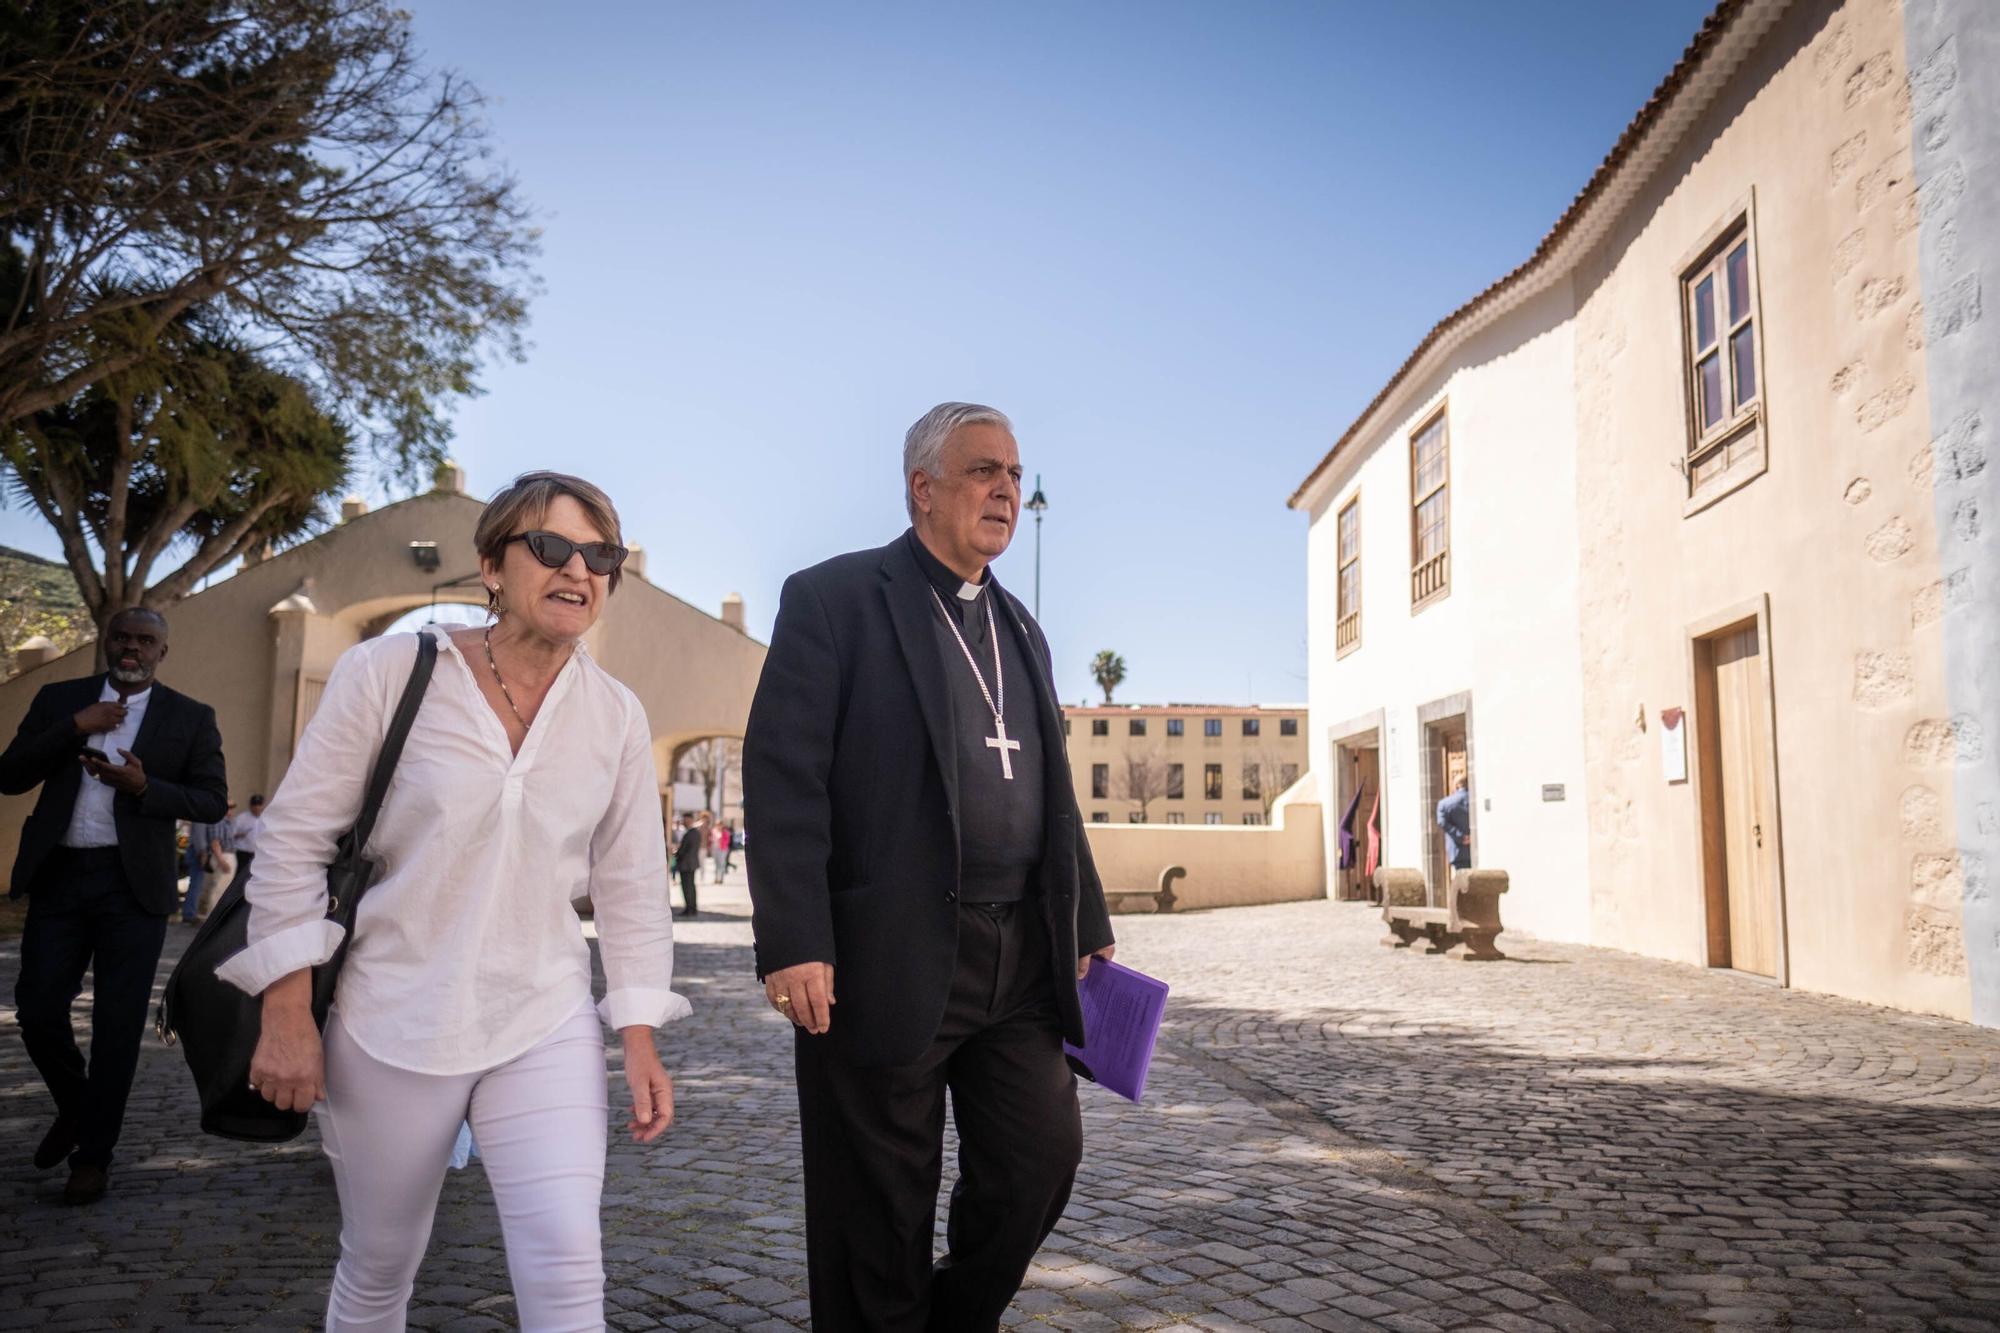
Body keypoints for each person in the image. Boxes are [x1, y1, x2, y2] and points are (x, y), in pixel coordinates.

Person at [216, 471, 689, 1330]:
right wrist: (288, 1010)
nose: (577, 569)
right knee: (379, 1264)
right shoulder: (391, 670)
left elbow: (630, 883)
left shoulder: (615, 715)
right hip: (392, 1016)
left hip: (542, 1017)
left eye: (600, 554)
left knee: (567, 1265)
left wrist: (639, 1032)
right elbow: (293, 840)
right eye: (550, 546)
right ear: (491, 567)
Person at [745, 402, 1115, 1330]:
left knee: (1040, 1159)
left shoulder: (1021, 626)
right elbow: (785, 779)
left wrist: (1089, 924)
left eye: (1014, 475)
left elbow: (1052, 789)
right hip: (884, 952)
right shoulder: (833, 599)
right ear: (922, 487)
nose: (1005, 490)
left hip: (1017, 955)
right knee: (878, 1207)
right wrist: (794, 938)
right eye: (983, 470)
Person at [1, 607, 228, 1204]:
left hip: (134, 889)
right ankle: (79, 1106)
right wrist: (78, 724)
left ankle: (93, 1157)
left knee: (117, 1028)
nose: (132, 648)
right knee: (37, 1006)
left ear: (162, 652)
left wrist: (147, 789)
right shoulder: (61, 699)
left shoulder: (190, 717)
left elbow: (210, 801)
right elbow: (10, 775)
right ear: (107, 643)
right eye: (123, 638)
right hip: (61, 877)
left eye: (145, 641)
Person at [180, 815, 225, 924]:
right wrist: (203, 853)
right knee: (196, 884)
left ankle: (190, 912)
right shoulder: (202, 816)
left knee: (197, 884)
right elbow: (199, 836)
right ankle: (189, 914)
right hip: (198, 853)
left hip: (200, 852)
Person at [221, 792, 265, 900]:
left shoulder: (266, 819)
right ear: (250, 806)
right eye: (254, 805)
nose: (257, 808)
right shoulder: (241, 818)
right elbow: (230, 835)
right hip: (242, 852)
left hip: (257, 854)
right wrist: (239, 835)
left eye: (259, 805)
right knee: (238, 877)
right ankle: (233, 898)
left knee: (252, 878)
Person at [1437, 777, 1473, 870]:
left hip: (1457, 850)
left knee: (1461, 880)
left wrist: (1461, 837)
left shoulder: (1444, 803)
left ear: (1455, 786)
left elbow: (1442, 822)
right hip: (1476, 849)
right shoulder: (1475, 800)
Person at [673, 812, 703, 917]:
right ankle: (692, 908)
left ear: (689, 820)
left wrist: (676, 853)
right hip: (691, 863)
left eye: (685, 820)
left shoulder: (690, 833)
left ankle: (689, 909)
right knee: (691, 887)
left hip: (686, 864)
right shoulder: (695, 833)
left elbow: (683, 850)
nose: (683, 822)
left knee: (687, 888)